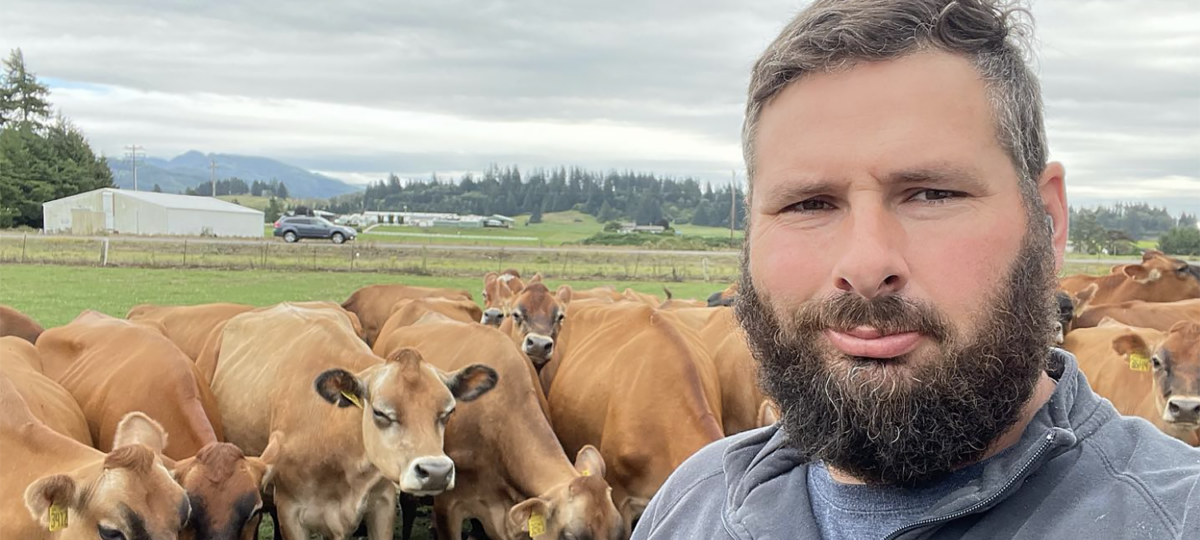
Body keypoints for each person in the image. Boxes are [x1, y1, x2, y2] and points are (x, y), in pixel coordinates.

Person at [632, 1, 1200, 538]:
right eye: (808, 204)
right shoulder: (690, 503)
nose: (866, 263)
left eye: (931, 194)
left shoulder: (1176, 516)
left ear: (1047, 221)